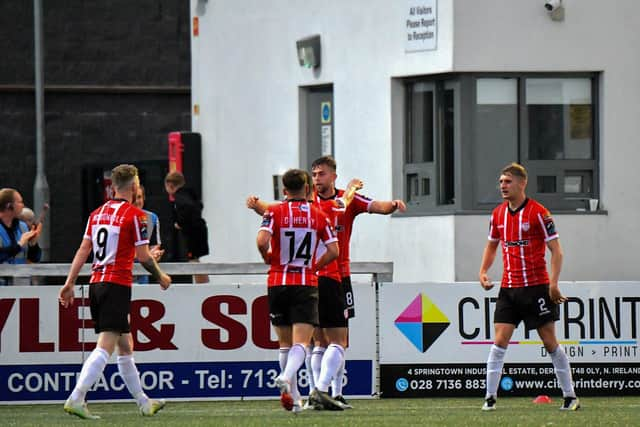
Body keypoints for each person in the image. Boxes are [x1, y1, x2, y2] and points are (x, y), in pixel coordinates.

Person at [58, 164, 172, 420]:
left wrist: (69, 282)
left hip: (97, 284)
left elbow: (83, 250)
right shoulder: (136, 215)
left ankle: (144, 402)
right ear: (134, 187)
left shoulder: (96, 214)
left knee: (126, 345)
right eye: (139, 184)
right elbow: (143, 256)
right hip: (116, 284)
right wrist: (161, 275)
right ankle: (76, 397)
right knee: (106, 346)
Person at [478, 162, 579, 411]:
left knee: (549, 341)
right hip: (509, 289)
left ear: (522, 183)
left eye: (508, 181)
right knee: (499, 341)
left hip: (536, 288)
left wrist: (553, 284)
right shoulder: (497, 214)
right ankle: (490, 398)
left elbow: (557, 251)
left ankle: (570, 396)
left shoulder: (539, 213)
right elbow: (492, 245)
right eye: (501, 181)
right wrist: (482, 271)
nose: (503, 185)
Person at [309, 155, 406, 406]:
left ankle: (336, 393)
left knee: (336, 340)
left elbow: (376, 206)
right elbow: (342, 204)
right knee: (322, 339)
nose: (317, 178)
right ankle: (319, 391)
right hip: (320, 276)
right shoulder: (313, 202)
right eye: (314, 174)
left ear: (333, 176)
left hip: (340, 275)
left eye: (321, 174)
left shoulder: (348, 201)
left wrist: (393, 204)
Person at [256, 168, 341, 413]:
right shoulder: (318, 216)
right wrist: (315, 266)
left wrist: (267, 256)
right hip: (304, 283)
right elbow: (334, 251)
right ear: (307, 189)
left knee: (284, 343)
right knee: (301, 343)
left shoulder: (274, 211)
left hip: (277, 282)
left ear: (284, 191)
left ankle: (293, 401)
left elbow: (262, 241)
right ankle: (287, 376)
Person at [164, 171, 209, 283]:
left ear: (170, 185)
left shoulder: (180, 197)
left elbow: (188, 208)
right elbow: (198, 206)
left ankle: (203, 286)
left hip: (193, 233)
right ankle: (203, 284)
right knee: (195, 259)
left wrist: (180, 223)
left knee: (193, 260)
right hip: (199, 231)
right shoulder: (189, 194)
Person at [0, 188, 42, 285]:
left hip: (20, 286)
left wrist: (33, 244)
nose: (22, 205)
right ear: (9, 206)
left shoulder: (22, 227)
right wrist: (19, 245)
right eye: (19, 202)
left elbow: (34, 259)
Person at [133, 184, 164, 283]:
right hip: (121, 276)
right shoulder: (120, 217)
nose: (137, 202)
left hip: (142, 277)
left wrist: (155, 255)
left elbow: (154, 247)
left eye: (139, 197)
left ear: (144, 198)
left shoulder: (151, 218)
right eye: (133, 198)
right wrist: (144, 254)